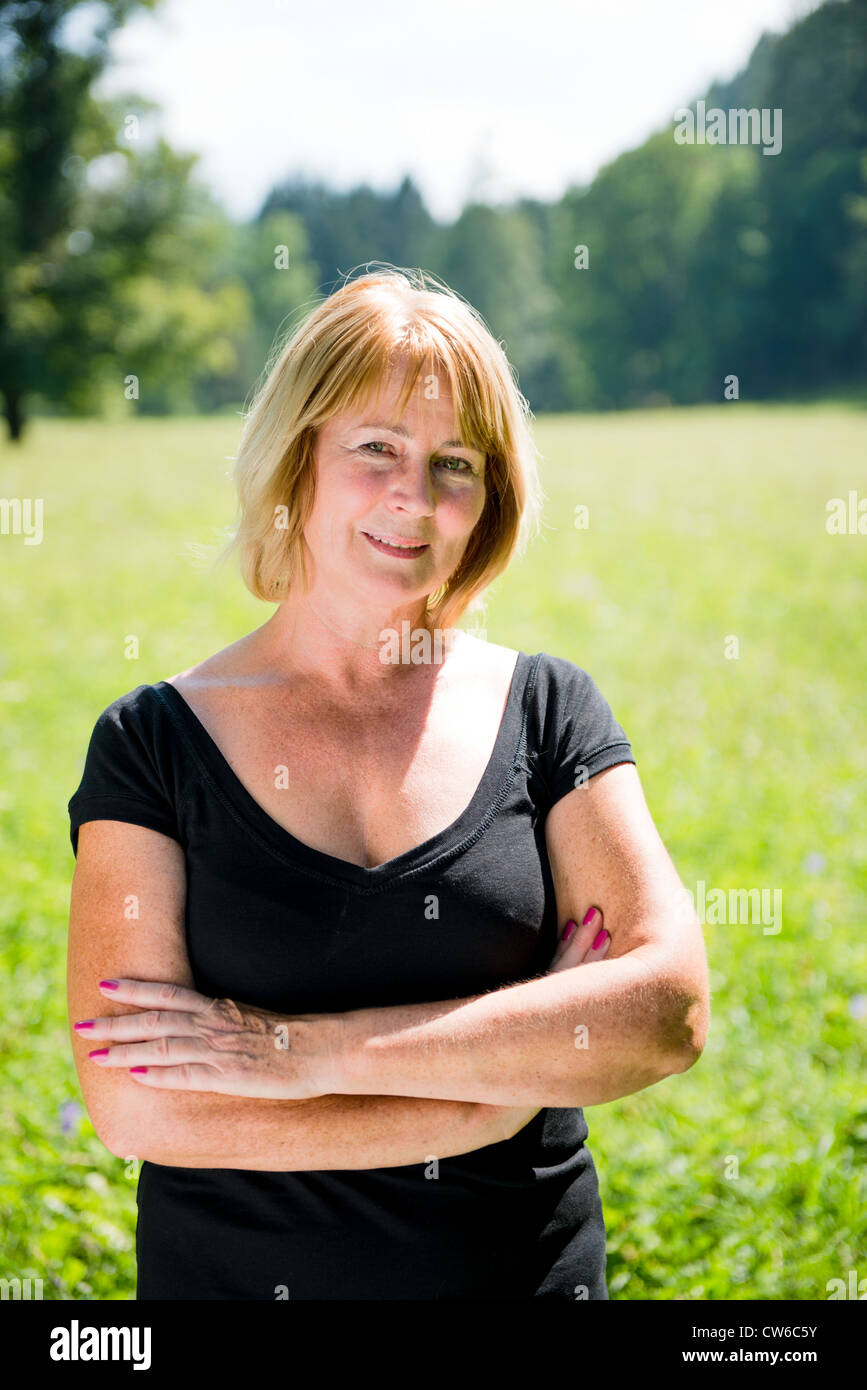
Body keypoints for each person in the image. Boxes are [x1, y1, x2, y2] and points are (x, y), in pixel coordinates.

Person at [67, 266, 709, 1301]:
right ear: (297, 461)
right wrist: (486, 1096)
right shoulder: (151, 744)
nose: (416, 495)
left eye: (455, 461)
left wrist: (294, 1054)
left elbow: (666, 1009)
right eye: (376, 449)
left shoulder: (548, 712)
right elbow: (140, 1106)